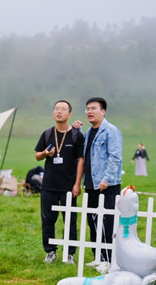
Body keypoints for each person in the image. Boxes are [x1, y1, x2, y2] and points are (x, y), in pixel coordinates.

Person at [34, 100, 84, 265]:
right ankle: (50, 251)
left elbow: (81, 160)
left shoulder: (76, 135)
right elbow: (37, 155)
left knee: (70, 220)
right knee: (48, 219)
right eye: (56, 109)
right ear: (53, 113)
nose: (59, 111)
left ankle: (69, 253)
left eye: (63, 109)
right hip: (49, 185)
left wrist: (77, 183)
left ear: (70, 114)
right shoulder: (47, 133)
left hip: (69, 185)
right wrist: (45, 153)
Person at [77, 97, 122, 273]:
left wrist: (107, 179)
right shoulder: (89, 132)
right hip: (91, 184)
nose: (89, 111)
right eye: (87, 109)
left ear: (103, 111)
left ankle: (108, 259)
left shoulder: (111, 131)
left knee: (107, 222)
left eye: (93, 108)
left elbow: (115, 157)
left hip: (107, 185)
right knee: (93, 221)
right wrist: (77, 130)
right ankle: (98, 257)